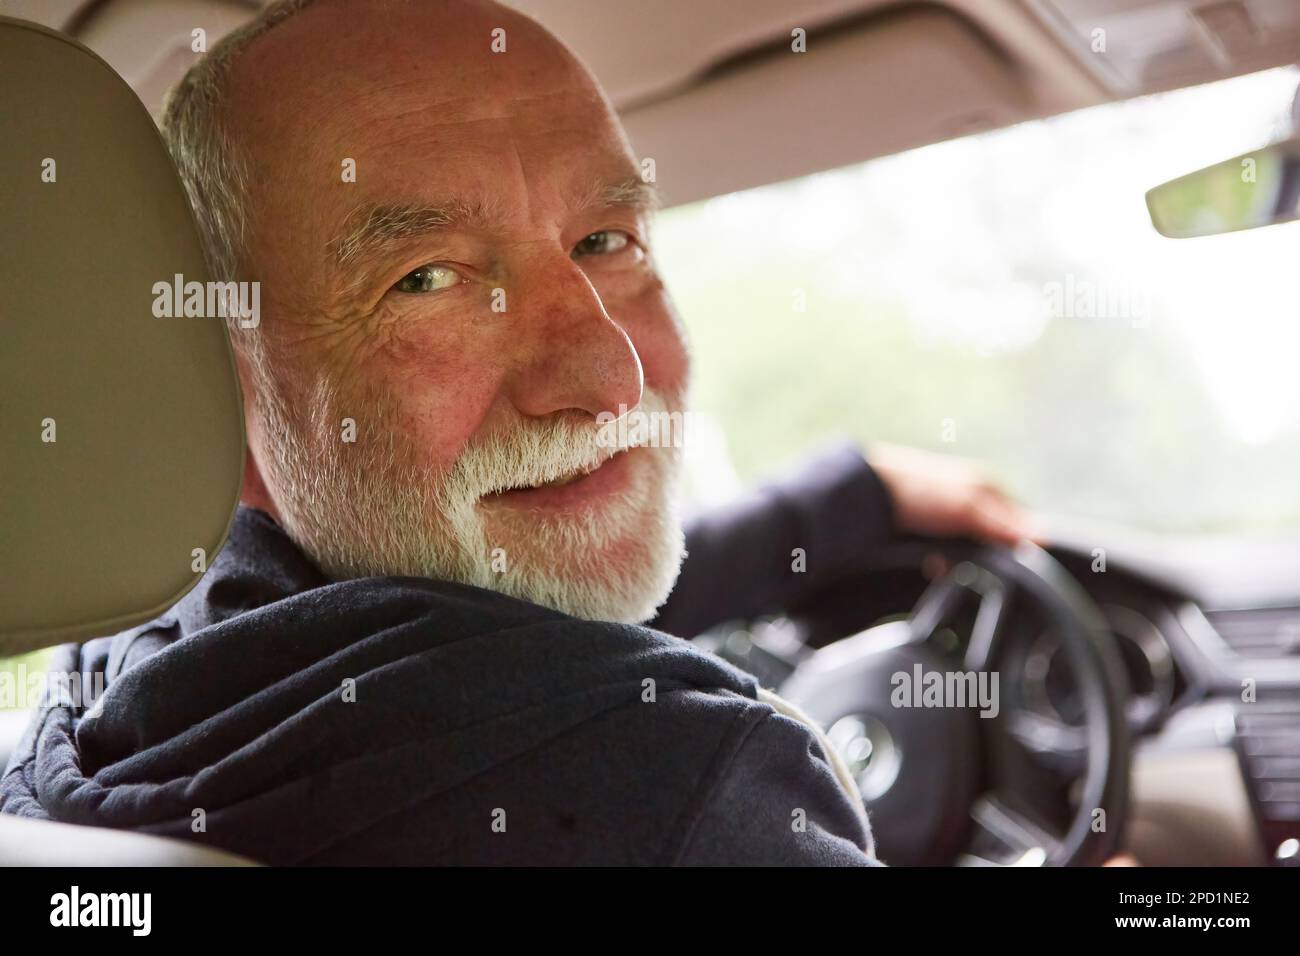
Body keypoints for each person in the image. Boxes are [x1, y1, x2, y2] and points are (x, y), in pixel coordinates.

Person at [0, 0, 1032, 865]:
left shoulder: (116, 690)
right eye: (428, 279)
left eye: (604, 239)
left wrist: (849, 500)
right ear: (222, 397)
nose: (609, 374)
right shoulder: (676, 785)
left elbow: (462, 628)